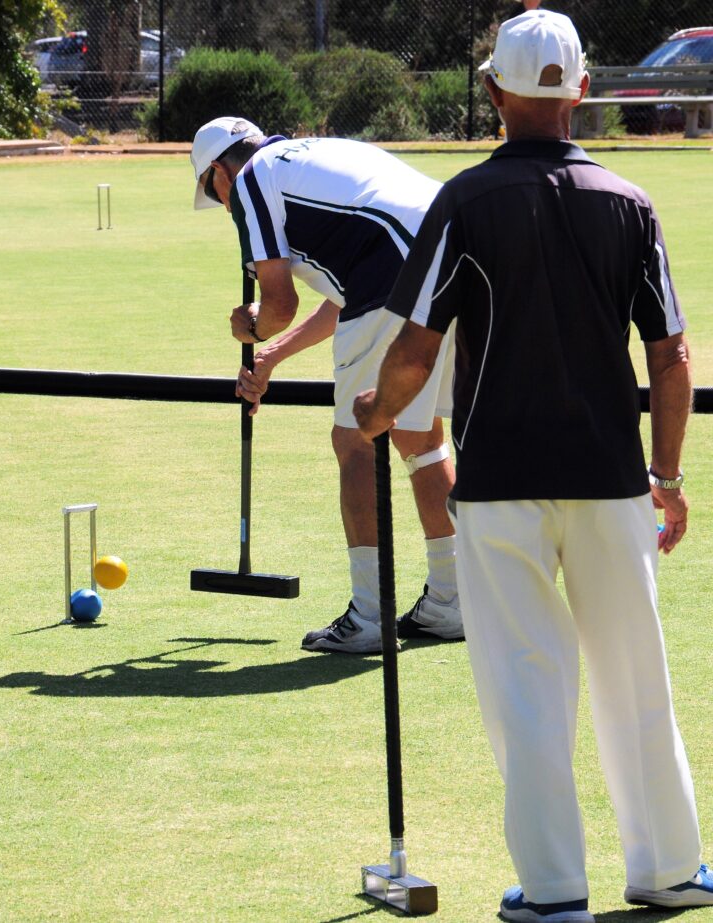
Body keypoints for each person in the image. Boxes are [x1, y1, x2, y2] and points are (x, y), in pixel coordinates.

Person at [354, 9, 711, 922]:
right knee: (636, 673)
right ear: (582, 92)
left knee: (525, 680)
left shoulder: (466, 200)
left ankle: (555, 891)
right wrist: (668, 477)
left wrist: (377, 414)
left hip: (502, 479)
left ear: (494, 94)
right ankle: (668, 868)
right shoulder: (630, 203)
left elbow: (415, 343)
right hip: (612, 479)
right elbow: (670, 358)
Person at [190, 116, 464, 653]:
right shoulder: (317, 157)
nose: (221, 203)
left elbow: (280, 305)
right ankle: (453, 603)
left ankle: (370, 615)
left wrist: (251, 325)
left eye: (210, 189)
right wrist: (271, 354)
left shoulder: (251, 182)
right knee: (420, 435)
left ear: (221, 171)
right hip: (459, 261)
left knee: (357, 440)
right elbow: (344, 296)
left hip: (396, 275)